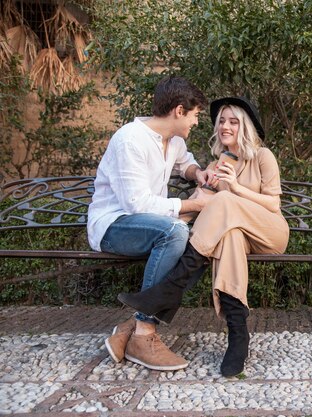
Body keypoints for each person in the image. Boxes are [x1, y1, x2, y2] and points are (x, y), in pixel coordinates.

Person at [116, 96, 289, 377]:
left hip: (270, 231)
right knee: (229, 235)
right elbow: (198, 202)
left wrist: (233, 187)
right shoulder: (218, 163)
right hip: (238, 236)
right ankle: (238, 334)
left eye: (233, 121)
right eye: (221, 120)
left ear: (244, 127)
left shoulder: (262, 156)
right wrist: (167, 229)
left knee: (223, 202)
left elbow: (272, 205)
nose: (225, 126)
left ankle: (171, 287)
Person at [87, 76, 211, 371]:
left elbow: (186, 163)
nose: (195, 122)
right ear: (179, 111)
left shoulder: (174, 141)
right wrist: (194, 205)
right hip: (114, 226)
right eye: (195, 115)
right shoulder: (130, 139)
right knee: (175, 231)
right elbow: (136, 205)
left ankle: (131, 328)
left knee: (200, 250)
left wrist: (198, 174)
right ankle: (145, 334)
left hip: (150, 227)